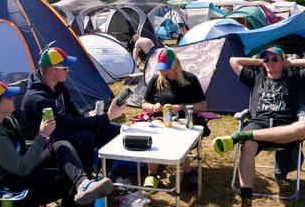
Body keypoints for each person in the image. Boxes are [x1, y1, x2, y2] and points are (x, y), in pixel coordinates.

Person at [0, 79, 113, 207]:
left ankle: (83, 184)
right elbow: (21, 168)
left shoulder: (7, 119)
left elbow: (20, 151)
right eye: (8, 97)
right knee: (64, 180)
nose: (14, 98)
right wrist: (42, 136)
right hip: (2, 183)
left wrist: (45, 142)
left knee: (62, 146)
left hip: (17, 166)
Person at [212, 46, 305, 207]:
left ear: (282, 61)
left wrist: (290, 63)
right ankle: (246, 200)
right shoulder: (255, 76)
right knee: (247, 147)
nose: (270, 62)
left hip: (284, 127)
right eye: (267, 59)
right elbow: (233, 61)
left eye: (275, 59)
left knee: (302, 129)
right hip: (259, 125)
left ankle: (240, 135)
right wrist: (259, 62)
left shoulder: (294, 77)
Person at [20, 47, 126, 177]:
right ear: (52, 70)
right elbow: (67, 123)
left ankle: (102, 173)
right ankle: (84, 181)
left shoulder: (58, 86)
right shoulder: (37, 98)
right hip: (41, 143)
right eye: (65, 68)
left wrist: (91, 116)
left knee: (113, 131)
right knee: (85, 137)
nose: (68, 70)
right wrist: (108, 117)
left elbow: (74, 113)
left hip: (60, 131)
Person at [141, 48, 207, 191]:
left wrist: (182, 107)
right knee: (152, 133)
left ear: (175, 64)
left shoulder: (190, 80)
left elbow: (202, 106)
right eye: (162, 69)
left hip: (185, 119)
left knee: (178, 133)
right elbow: (144, 104)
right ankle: (152, 173)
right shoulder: (156, 80)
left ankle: (187, 172)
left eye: (167, 68)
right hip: (161, 119)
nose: (164, 72)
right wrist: (153, 107)